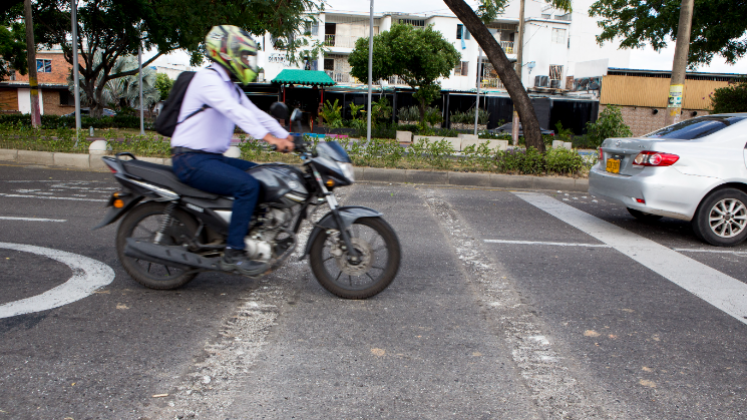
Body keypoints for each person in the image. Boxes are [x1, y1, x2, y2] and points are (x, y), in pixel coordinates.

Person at [170, 25, 295, 277]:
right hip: (190, 159)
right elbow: (234, 112)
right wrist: (270, 138)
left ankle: (253, 234)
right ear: (227, 53)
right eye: (245, 56)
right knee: (247, 186)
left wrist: (286, 136)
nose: (248, 61)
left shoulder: (230, 87)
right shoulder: (207, 80)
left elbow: (255, 113)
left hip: (210, 158)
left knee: (263, 174)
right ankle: (233, 252)